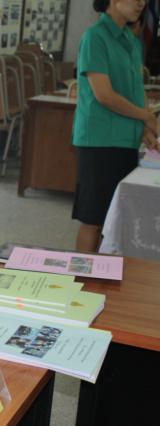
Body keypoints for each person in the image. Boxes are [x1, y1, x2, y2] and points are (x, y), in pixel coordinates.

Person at [72, 0, 158, 253]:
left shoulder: (130, 40)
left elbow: (134, 90)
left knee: (115, 222)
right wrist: (147, 116)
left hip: (126, 140)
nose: (141, 3)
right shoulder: (95, 37)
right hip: (99, 141)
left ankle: (103, 273)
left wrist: (144, 127)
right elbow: (104, 95)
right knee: (93, 219)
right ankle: (80, 274)